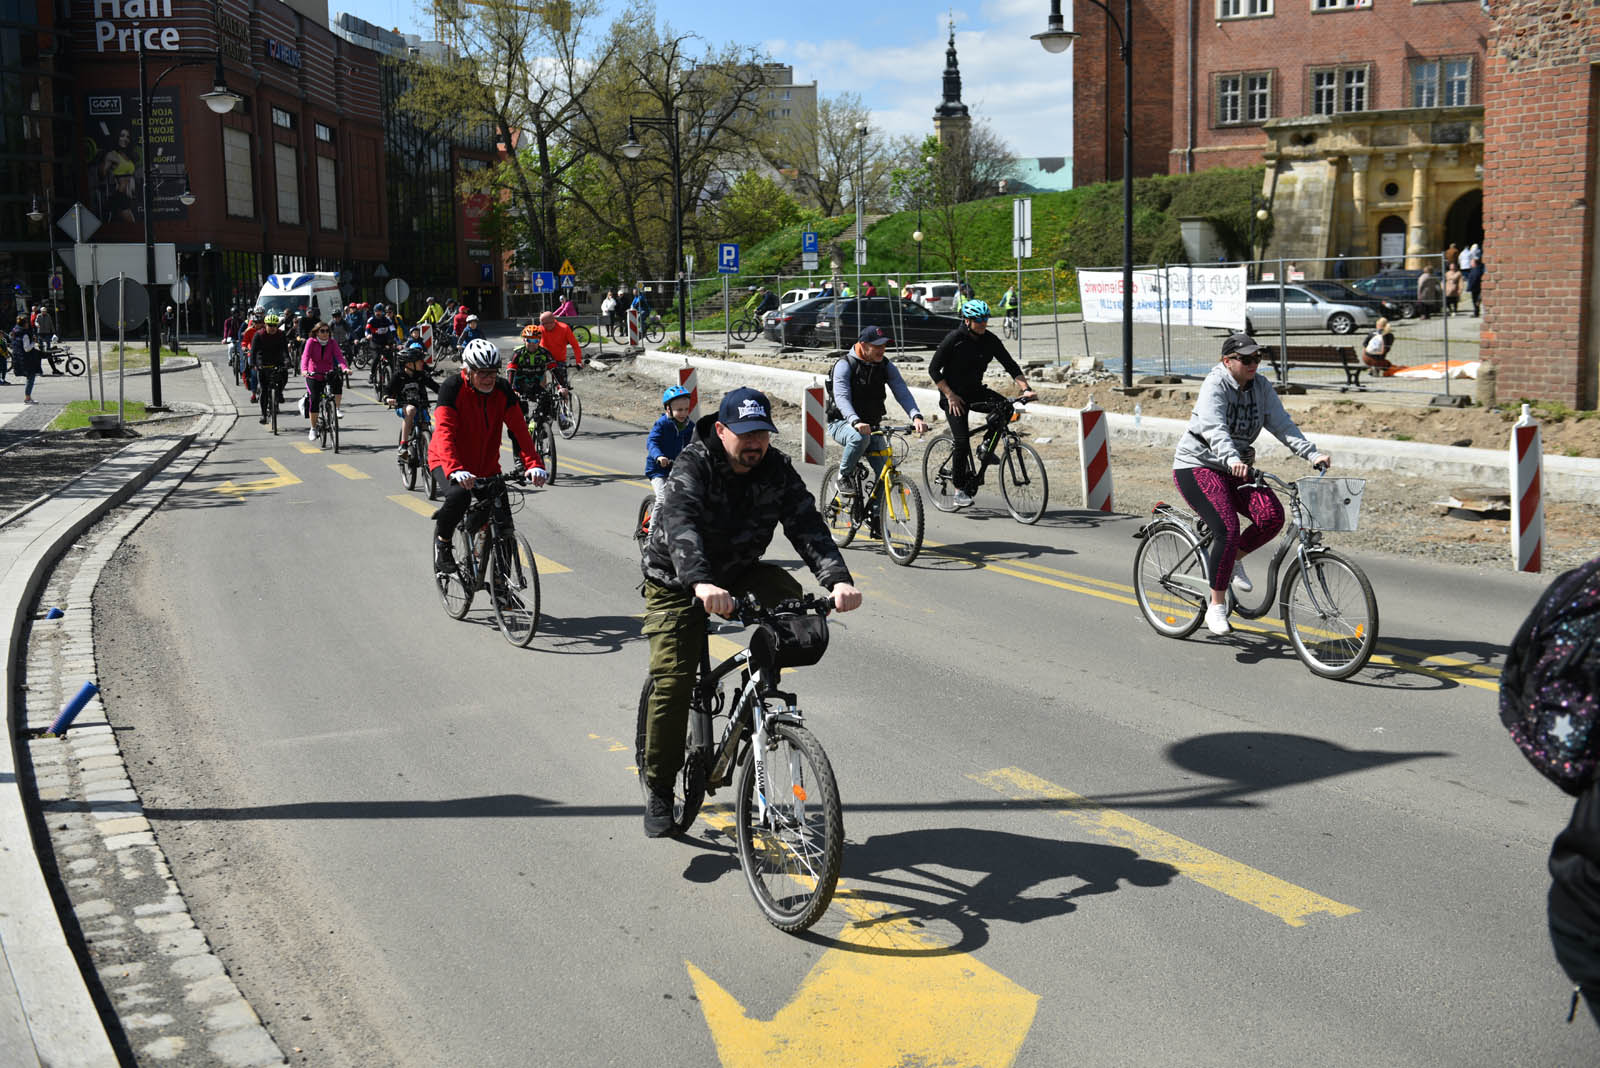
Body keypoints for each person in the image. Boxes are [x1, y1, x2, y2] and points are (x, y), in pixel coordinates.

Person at [637, 386, 862, 837]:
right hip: (678, 578)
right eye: (745, 434)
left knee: (795, 607)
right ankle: (660, 787)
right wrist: (700, 582)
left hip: (739, 571)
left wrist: (837, 579)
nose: (755, 442)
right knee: (675, 680)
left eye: (762, 432)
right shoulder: (693, 465)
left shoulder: (775, 468)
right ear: (721, 430)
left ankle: (758, 697)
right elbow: (681, 525)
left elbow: (806, 523)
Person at [1172, 332, 1331, 637]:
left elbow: (1283, 424)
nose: (1253, 363)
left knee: (1271, 517)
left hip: (1237, 467)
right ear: (1227, 361)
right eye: (1246, 359)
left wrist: (1312, 453)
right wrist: (1231, 457)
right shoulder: (1215, 384)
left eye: (1257, 358)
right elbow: (1215, 427)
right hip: (1198, 465)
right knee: (1227, 528)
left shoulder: (1260, 387)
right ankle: (1216, 605)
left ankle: (1231, 560)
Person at [426, 338, 548, 575]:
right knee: (459, 495)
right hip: (446, 460)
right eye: (482, 373)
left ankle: (502, 589)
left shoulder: (502, 390)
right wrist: (455, 468)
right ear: (468, 371)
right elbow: (444, 432)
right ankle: (443, 543)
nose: (488, 378)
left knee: (503, 522)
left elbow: (519, 429)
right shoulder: (451, 389)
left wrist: (533, 463)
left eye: (492, 372)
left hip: (486, 466)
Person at [927, 299, 1035, 508]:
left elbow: (1010, 365)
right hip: (953, 397)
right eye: (979, 320)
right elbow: (933, 370)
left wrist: (1026, 389)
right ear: (967, 321)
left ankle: (985, 446)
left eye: (985, 319)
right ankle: (959, 489)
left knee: (1006, 407)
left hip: (975, 391)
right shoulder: (954, 339)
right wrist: (949, 395)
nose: (983, 323)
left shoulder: (990, 339)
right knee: (961, 441)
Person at [826, 325, 928, 500]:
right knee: (859, 438)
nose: (882, 350)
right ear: (863, 345)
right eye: (877, 346)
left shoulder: (885, 365)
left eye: (884, 345)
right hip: (842, 423)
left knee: (886, 474)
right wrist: (855, 421)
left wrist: (916, 416)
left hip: (872, 426)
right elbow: (842, 398)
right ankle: (844, 476)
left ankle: (875, 517)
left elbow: (901, 391)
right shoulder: (844, 365)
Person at [383, 342, 440, 459]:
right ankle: (403, 445)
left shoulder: (421, 375)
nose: (422, 363)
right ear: (409, 364)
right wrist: (387, 398)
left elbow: (435, 387)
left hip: (421, 405)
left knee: (426, 427)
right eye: (419, 361)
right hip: (403, 406)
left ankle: (426, 452)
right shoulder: (398, 376)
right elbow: (387, 389)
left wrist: (446, 395)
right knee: (411, 409)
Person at [645, 385, 695, 508]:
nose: (683, 413)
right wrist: (659, 456)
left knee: (688, 498)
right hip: (658, 470)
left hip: (677, 469)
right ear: (668, 409)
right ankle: (653, 528)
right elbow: (652, 442)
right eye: (679, 410)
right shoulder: (662, 424)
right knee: (662, 500)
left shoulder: (689, 426)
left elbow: (694, 444)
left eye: (686, 409)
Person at [300, 319, 349, 440]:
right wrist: (304, 370)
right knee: (315, 399)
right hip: (313, 374)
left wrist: (345, 368)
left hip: (328, 372)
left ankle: (336, 408)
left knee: (338, 381)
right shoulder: (311, 342)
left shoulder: (332, 342)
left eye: (327, 331)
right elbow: (305, 357)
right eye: (322, 331)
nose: (325, 333)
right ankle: (313, 428)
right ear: (316, 332)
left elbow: (339, 357)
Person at [249, 313, 290, 424]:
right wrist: (254, 364)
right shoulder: (259, 335)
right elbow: (253, 352)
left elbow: (285, 351)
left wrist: (287, 361)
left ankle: (279, 393)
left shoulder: (281, 335)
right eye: (270, 325)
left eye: (274, 325)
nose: (272, 328)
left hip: (277, 360)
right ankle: (263, 414)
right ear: (265, 325)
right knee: (264, 390)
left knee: (284, 376)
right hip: (262, 361)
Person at [535, 310, 582, 394]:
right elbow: (533, 346)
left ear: (551, 322)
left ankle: (565, 404)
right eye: (541, 323)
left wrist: (578, 361)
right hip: (544, 359)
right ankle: (542, 397)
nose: (541, 325)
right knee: (540, 376)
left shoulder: (564, 328)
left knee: (563, 387)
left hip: (559, 360)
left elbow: (575, 346)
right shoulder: (540, 329)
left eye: (543, 323)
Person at [10, 315, 40, 402]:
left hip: (18, 357)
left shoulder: (15, 331)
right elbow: (27, 348)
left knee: (29, 377)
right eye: (27, 322)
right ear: (24, 324)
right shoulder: (25, 334)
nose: (28, 324)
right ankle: (28, 397)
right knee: (31, 377)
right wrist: (34, 342)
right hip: (26, 358)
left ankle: (28, 397)